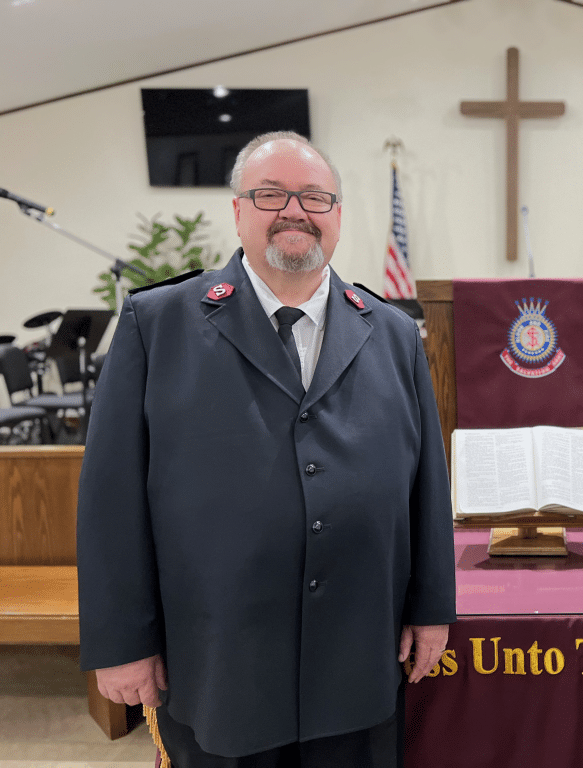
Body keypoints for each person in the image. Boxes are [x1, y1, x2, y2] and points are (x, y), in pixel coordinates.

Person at [76, 131, 457, 766]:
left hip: (358, 659)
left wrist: (431, 609)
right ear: (237, 211)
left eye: (314, 196)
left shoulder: (393, 332)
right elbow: (111, 497)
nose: (294, 211)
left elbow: (426, 487)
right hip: (220, 662)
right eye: (271, 194)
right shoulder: (159, 323)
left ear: (337, 214)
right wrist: (121, 642)